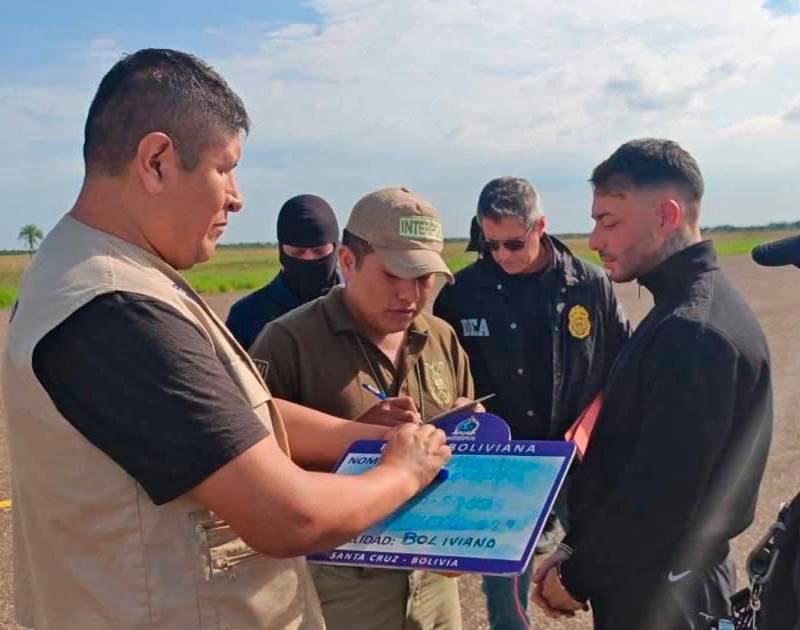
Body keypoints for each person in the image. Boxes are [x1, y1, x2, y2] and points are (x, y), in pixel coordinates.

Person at [2, 49, 452, 630]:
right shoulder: (113, 307)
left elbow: (224, 413)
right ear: (158, 161)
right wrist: (403, 470)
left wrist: (355, 436)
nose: (236, 196)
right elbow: (290, 518)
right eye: (225, 167)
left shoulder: (99, 275)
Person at [532, 139, 773, 630]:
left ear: (666, 215)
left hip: (668, 597)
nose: (595, 241)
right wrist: (577, 546)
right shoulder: (682, 312)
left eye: (609, 221)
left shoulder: (694, 330)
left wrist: (578, 577)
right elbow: (629, 460)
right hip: (657, 584)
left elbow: (659, 501)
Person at [250, 186, 478, 630]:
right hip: (339, 586)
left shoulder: (441, 338)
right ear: (348, 262)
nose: (410, 295)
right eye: (394, 275)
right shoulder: (287, 342)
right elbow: (250, 470)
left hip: (434, 584)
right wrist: (350, 440)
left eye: (424, 279)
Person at [433, 177, 629, 630]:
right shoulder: (461, 294)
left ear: (540, 226)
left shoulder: (589, 285)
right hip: (503, 467)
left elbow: (624, 367)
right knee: (505, 593)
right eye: (490, 243)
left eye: (514, 244)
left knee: (604, 570)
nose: (501, 255)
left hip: (577, 461)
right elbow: (439, 372)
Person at [226, 193, 341, 349]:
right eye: (297, 253)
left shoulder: (361, 307)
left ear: (336, 249)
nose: (308, 259)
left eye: (319, 252)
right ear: (281, 250)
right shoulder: (247, 315)